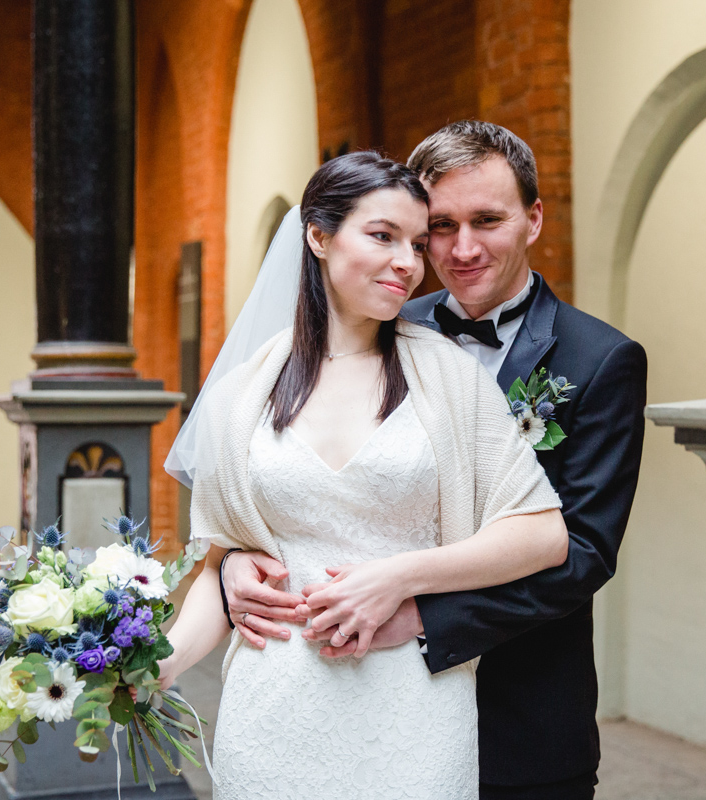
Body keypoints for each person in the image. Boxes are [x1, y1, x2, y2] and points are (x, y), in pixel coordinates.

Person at [224, 122, 648, 799]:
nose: (463, 248)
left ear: (534, 218)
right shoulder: (380, 323)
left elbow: (583, 550)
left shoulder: (599, 361)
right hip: (365, 701)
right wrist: (235, 560)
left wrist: (421, 614)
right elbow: (300, 477)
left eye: (488, 220)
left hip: (522, 717)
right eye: (441, 228)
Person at [160, 151, 569, 800]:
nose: (408, 262)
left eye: (415, 241)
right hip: (273, 713)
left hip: (413, 708)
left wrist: (401, 576)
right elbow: (216, 571)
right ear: (318, 237)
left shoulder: (448, 376)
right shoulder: (243, 395)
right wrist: (158, 666)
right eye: (382, 236)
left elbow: (543, 535)